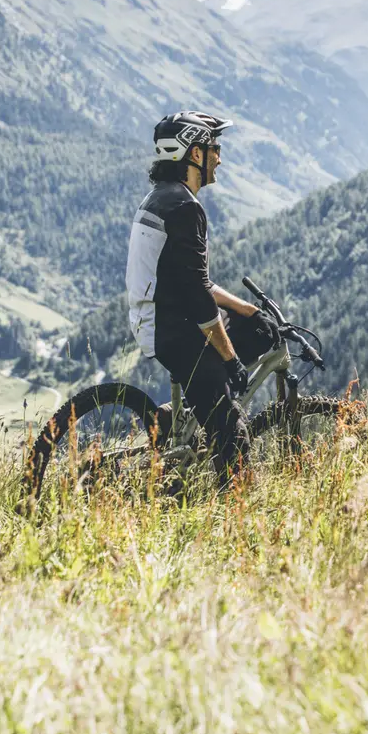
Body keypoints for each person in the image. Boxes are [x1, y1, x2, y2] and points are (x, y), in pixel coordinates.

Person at [125, 110, 278, 482]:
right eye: (215, 148)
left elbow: (196, 281)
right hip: (172, 330)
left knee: (256, 330)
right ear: (195, 154)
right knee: (233, 434)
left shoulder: (164, 197)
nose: (220, 158)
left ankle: (187, 408)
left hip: (164, 317)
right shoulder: (184, 208)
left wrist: (249, 311)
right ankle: (235, 507)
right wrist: (229, 360)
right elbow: (197, 297)